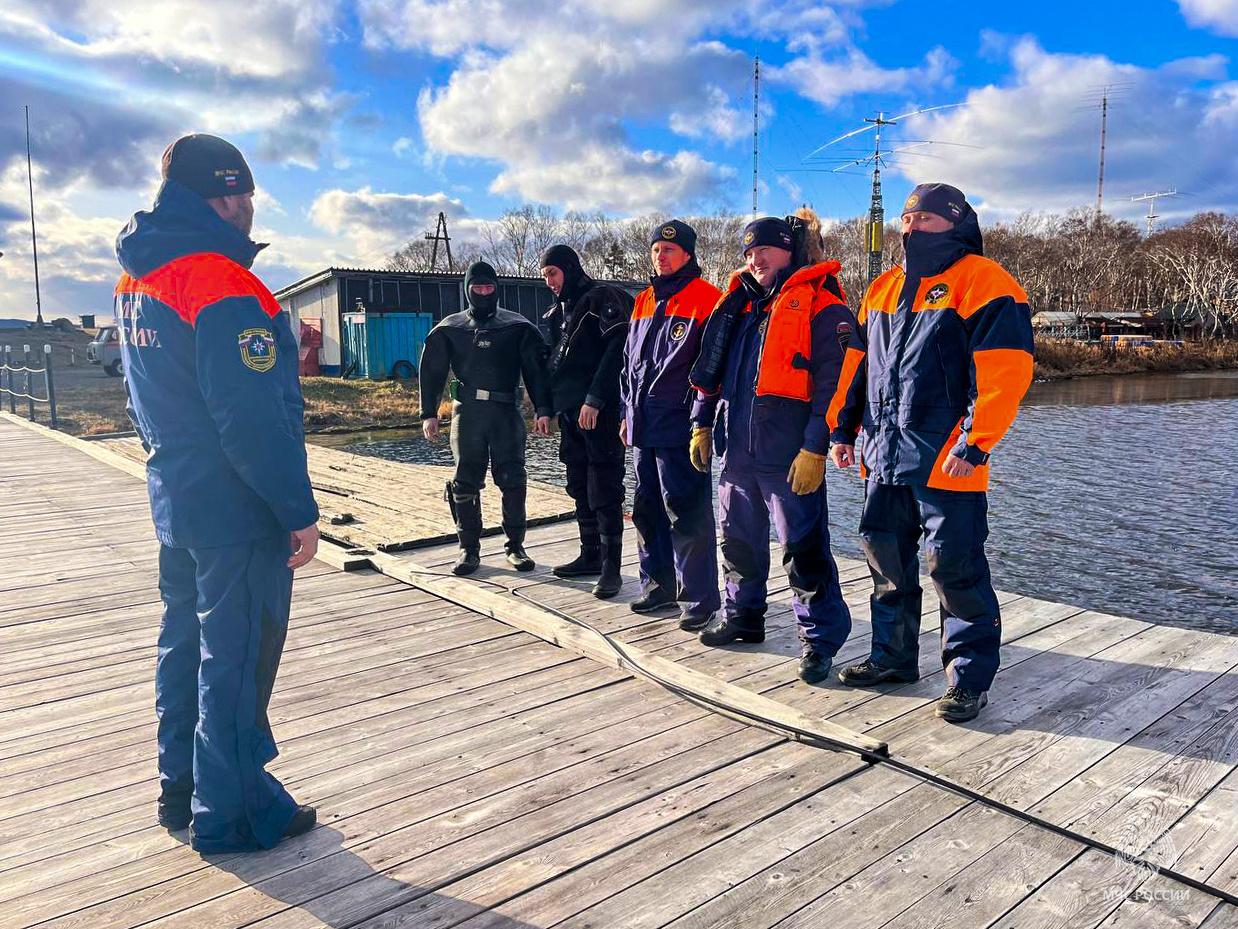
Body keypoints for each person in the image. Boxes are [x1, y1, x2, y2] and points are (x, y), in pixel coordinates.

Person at [114, 134, 319, 852]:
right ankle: (232, 812)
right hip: (236, 509)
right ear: (226, 194)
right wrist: (297, 511)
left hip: (176, 496)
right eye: (246, 192)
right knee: (234, 660)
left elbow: (141, 399)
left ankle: (181, 785)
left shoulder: (137, 276)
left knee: (185, 646)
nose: (251, 206)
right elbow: (253, 418)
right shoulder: (223, 283)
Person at [828, 182, 1035, 723]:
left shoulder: (985, 282)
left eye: (926, 219)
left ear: (956, 222)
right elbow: (860, 368)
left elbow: (1005, 372)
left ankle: (967, 679)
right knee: (886, 565)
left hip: (948, 458)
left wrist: (975, 441)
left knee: (954, 568)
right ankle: (892, 659)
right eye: (906, 218)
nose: (912, 227)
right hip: (883, 454)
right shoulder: (882, 287)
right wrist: (843, 430)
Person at [688, 210, 853, 684]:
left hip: (789, 454)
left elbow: (835, 384)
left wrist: (816, 447)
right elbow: (710, 374)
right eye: (748, 251)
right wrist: (700, 424)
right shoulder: (739, 307)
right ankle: (744, 618)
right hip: (737, 451)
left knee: (803, 549)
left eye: (765, 248)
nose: (755, 258)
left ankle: (819, 639)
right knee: (737, 540)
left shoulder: (823, 307)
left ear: (790, 250)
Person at [419, 261, 552, 575]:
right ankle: (469, 549)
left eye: (488, 287)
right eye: (476, 288)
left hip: (506, 411)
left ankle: (515, 547)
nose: (483, 292)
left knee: (513, 478)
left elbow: (536, 371)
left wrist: (544, 409)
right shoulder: (449, 329)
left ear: (497, 289)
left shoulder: (517, 326)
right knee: (464, 480)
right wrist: (429, 413)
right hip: (467, 413)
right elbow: (433, 371)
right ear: (467, 290)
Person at [620, 220, 721, 630]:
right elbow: (629, 365)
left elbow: (710, 367)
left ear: (688, 255)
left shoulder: (707, 298)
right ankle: (657, 585)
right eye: (656, 250)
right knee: (646, 508)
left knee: (686, 511)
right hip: (642, 423)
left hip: (680, 424)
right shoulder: (643, 300)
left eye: (669, 251)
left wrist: (703, 421)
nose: (661, 256)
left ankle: (698, 598)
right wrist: (626, 414)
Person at [539, 244, 632, 598]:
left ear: (570, 268)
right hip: (570, 413)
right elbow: (554, 365)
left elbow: (617, 350)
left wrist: (595, 399)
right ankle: (590, 554)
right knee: (578, 483)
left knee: (603, 486)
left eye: (553, 273)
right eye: (545, 275)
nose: (549, 281)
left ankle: (612, 569)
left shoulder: (600, 300)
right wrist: (546, 407)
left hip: (600, 410)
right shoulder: (557, 313)